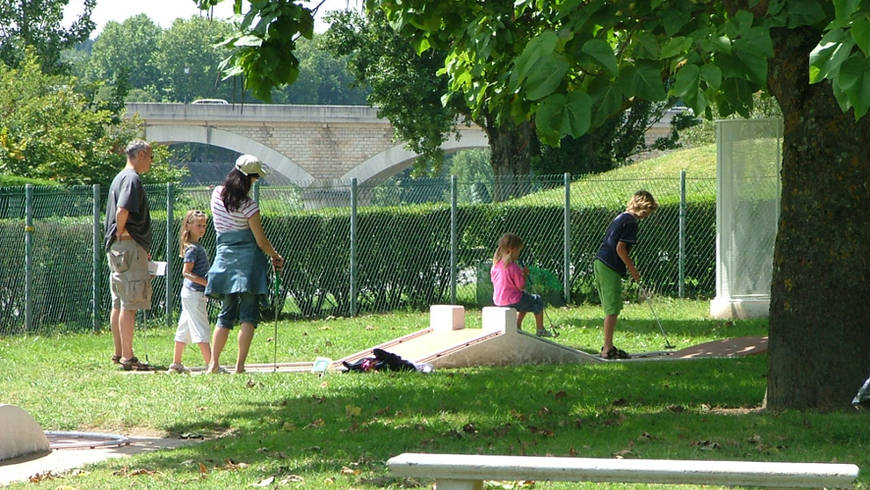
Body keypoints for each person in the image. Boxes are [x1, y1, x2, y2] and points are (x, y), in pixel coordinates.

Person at [205, 155, 284, 374]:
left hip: (224, 258)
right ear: (251, 178)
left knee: (225, 314)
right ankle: (240, 366)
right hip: (249, 262)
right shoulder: (250, 206)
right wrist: (275, 255)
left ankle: (213, 364)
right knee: (248, 315)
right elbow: (260, 240)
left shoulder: (215, 195)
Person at [104, 139, 153, 371]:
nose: (151, 162)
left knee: (119, 302)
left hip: (117, 248)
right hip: (128, 246)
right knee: (130, 304)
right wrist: (124, 233)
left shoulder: (118, 177)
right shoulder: (132, 178)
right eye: (150, 157)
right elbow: (123, 210)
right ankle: (128, 357)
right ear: (141, 154)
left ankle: (118, 353)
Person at [594, 190, 659, 359]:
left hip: (600, 262)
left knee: (611, 307)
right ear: (642, 207)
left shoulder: (621, 216)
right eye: (647, 212)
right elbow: (620, 248)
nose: (647, 216)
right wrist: (633, 270)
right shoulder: (631, 222)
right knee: (612, 308)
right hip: (610, 265)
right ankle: (607, 349)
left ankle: (608, 346)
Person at [168, 210, 212, 373]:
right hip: (194, 293)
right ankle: (211, 364)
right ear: (189, 226)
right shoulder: (193, 249)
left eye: (204, 225)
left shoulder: (196, 246)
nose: (202, 228)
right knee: (201, 327)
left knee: (184, 327)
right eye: (198, 225)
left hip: (189, 293)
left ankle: (176, 363)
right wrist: (206, 283)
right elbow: (186, 272)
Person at [490, 233, 552, 337]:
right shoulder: (513, 267)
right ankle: (540, 329)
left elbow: (496, 282)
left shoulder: (495, 266)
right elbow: (521, 286)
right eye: (518, 251)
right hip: (513, 300)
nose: (519, 254)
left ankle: (517, 326)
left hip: (498, 300)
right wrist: (524, 275)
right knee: (537, 300)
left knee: (525, 299)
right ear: (512, 250)